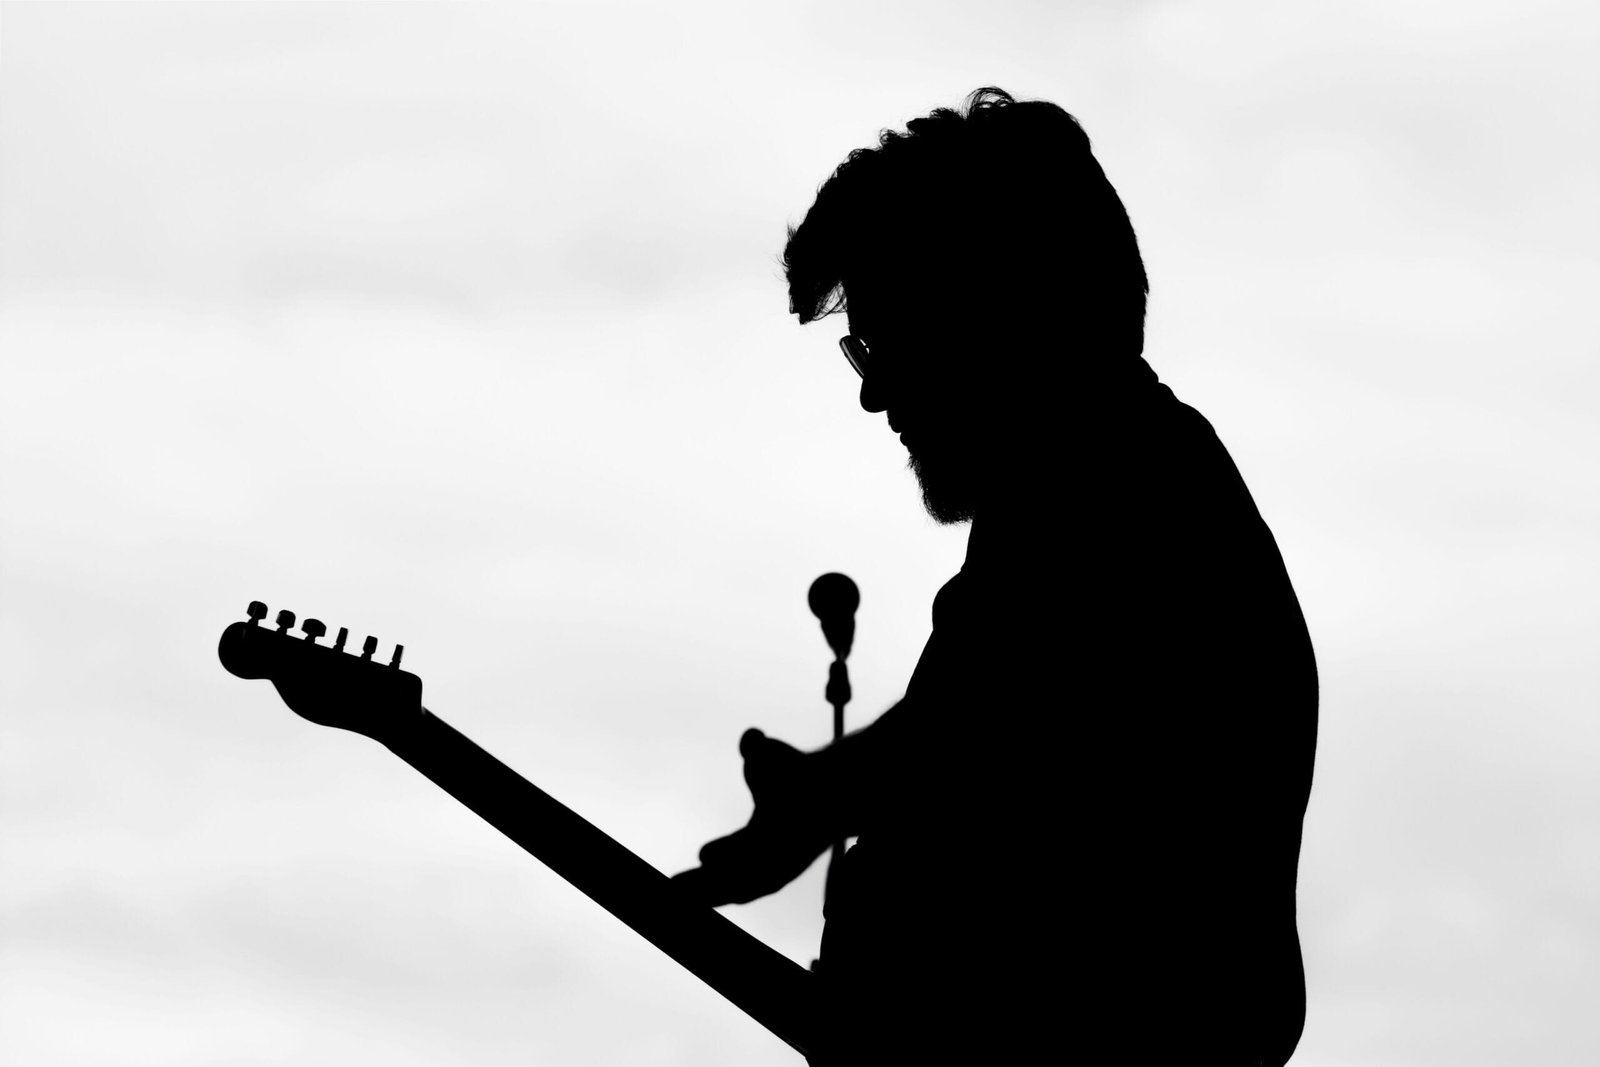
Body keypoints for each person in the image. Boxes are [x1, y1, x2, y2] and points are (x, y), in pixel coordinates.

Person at [672, 87, 1318, 1067]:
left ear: (995, 314)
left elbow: (987, 718)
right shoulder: (1124, 500)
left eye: (887, 341)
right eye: (861, 348)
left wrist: (826, 800)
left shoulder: (1119, 501)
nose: (873, 391)